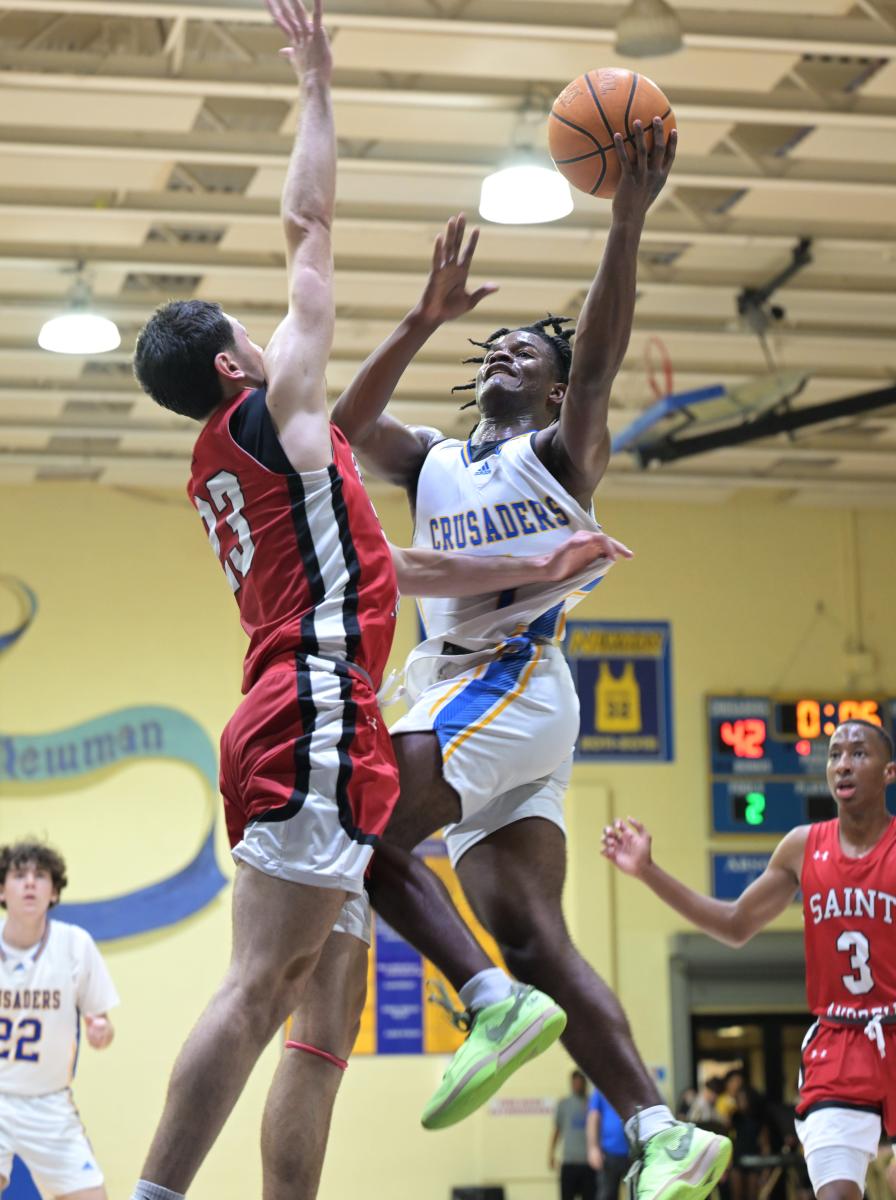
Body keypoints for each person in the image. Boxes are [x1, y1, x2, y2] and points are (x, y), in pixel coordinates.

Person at [129, 2, 629, 1196]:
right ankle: (493, 997)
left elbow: (390, 570)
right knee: (262, 989)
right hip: (312, 710)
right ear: (238, 366)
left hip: (287, 704)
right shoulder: (279, 410)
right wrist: (314, 82)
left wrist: (530, 572)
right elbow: (307, 225)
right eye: (258, 331)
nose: (277, 325)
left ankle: (489, 997)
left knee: (300, 1004)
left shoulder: (248, 469)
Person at [329, 101, 730, 1196]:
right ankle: (663, 1132)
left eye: (532, 352)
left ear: (556, 390)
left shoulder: (562, 451)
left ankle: (487, 1008)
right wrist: (419, 317)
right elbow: (345, 428)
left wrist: (627, 223)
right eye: (497, 342)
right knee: (532, 934)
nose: (509, 351)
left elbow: (599, 359)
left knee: (357, 829)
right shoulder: (434, 460)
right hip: (486, 710)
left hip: (506, 686)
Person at [603, 718, 896, 1200]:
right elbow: (734, 924)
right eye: (834, 755)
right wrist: (648, 871)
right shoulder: (802, 846)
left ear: (890, 772)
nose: (843, 765)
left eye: (858, 753)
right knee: (834, 1193)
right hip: (838, 1042)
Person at [0, 840, 118, 1200]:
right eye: (19, 876)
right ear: (2, 890)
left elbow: (104, 1023)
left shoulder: (75, 945)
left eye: (41, 876)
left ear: (54, 891)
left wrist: (100, 1031)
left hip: (49, 1103)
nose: (31, 883)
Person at [551, 1070, 595, 1200]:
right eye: (575, 1083)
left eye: (580, 1083)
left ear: (584, 1084)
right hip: (569, 1163)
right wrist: (551, 1154)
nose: (577, 1085)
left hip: (588, 1164)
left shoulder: (592, 1104)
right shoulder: (564, 1104)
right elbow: (557, 1131)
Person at [587, 1089, 631, 1200]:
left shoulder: (633, 1083)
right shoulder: (602, 1086)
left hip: (634, 1153)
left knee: (638, 1194)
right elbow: (593, 1116)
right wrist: (593, 1148)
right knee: (607, 1195)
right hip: (609, 1153)